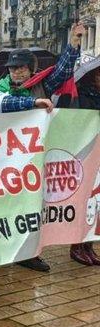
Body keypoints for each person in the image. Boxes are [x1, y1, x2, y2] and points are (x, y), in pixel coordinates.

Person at [0, 22, 84, 272]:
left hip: (32, 161)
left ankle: (27, 252)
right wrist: (32, 104)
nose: (15, 73)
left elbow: (62, 72)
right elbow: (0, 104)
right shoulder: (0, 88)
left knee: (30, 206)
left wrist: (73, 43)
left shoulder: (43, 84)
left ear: (31, 69)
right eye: (12, 68)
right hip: (3, 160)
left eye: (20, 68)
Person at [71, 63, 100, 265]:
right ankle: (76, 245)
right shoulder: (82, 95)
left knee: (97, 202)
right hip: (86, 153)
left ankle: (89, 244)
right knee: (84, 199)